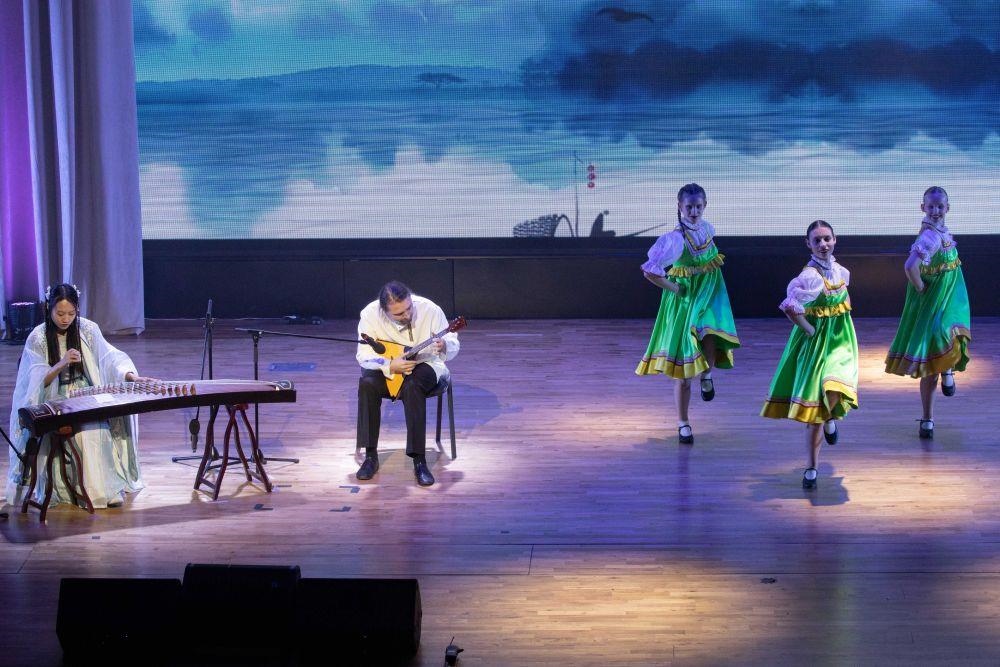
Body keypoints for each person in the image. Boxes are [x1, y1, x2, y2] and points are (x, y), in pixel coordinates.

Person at [6, 284, 149, 510]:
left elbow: (110, 359)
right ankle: (81, 492)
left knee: (98, 428)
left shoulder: (88, 329)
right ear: (49, 308)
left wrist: (130, 376)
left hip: (85, 393)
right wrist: (61, 363)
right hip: (55, 397)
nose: (66, 319)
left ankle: (106, 490)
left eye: (71, 313)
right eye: (60, 313)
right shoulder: (38, 337)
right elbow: (34, 381)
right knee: (80, 434)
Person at [636, 183, 741, 445]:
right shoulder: (675, 239)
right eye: (689, 207)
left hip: (710, 291)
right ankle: (683, 422)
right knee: (683, 369)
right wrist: (675, 288)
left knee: (710, 334)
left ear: (705, 205)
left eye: (698, 206)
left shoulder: (707, 229)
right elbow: (650, 271)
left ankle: (707, 375)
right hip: (686, 299)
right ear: (680, 206)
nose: (694, 211)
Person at [761, 221, 858, 489]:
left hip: (840, 342)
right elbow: (790, 307)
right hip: (816, 344)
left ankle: (830, 419)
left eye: (827, 238)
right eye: (817, 240)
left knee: (835, 386)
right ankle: (812, 467)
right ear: (809, 244)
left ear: (835, 240)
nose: (823, 244)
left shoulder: (840, 271)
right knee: (816, 409)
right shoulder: (809, 277)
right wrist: (809, 329)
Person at [884, 187, 971, 439]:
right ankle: (928, 418)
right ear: (923, 208)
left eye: (940, 206)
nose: (935, 211)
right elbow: (910, 266)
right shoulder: (930, 237)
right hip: (934, 302)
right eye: (931, 206)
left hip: (948, 300)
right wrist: (921, 287)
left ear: (947, 208)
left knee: (952, 334)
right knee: (934, 354)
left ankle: (948, 372)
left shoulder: (941, 231)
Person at [355, 281, 460, 487]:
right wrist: (389, 365)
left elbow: (453, 342)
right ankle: (370, 457)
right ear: (384, 311)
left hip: (426, 365)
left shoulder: (430, 309)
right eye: (399, 314)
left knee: (412, 385)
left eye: (409, 308)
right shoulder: (369, 314)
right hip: (389, 367)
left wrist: (445, 345)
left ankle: (419, 460)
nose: (407, 315)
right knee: (367, 383)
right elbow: (363, 355)